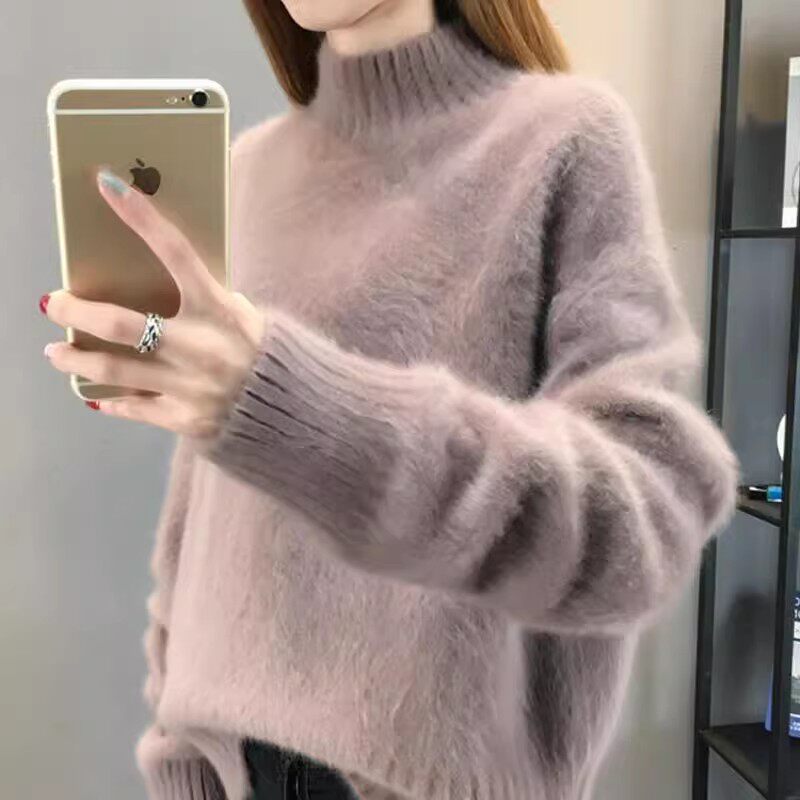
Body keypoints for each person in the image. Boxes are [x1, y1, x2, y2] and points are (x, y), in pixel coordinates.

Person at [39, 1, 740, 798]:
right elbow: (200, 523)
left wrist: (290, 405)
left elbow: (646, 525)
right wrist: (182, 762)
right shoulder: (250, 171)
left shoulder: (566, 140)